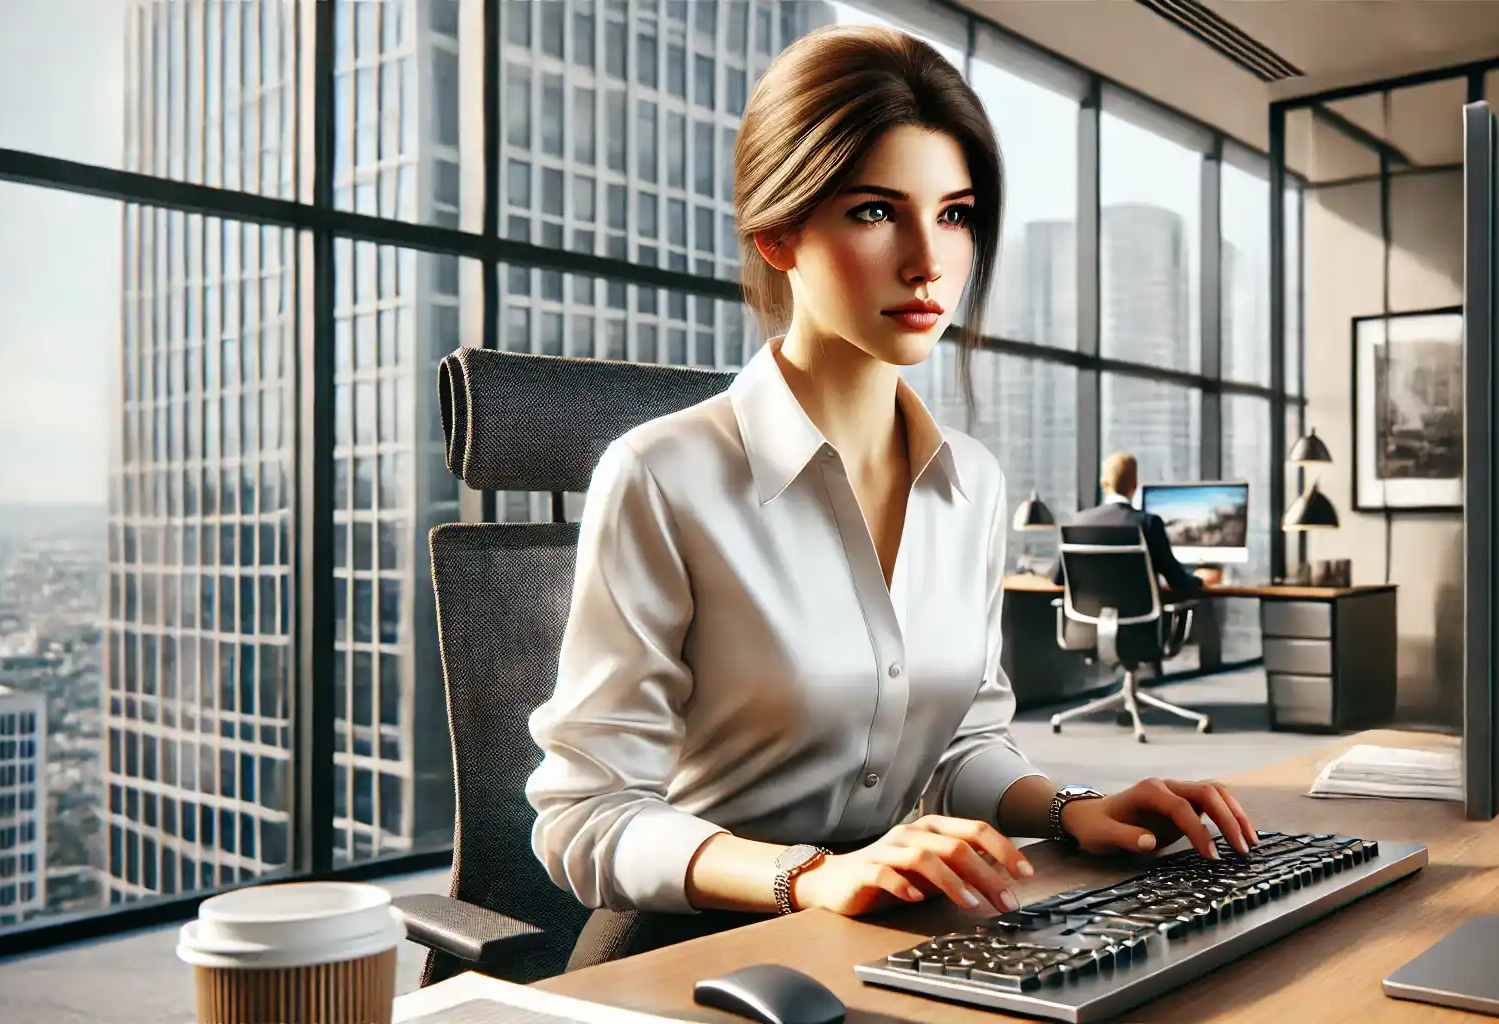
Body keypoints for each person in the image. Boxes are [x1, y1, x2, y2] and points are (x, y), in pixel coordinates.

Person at [524, 24, 1257, 971]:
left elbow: (960, 747)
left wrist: (1077, 808)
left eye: (954, 215)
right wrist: (809, 875)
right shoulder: (664, 474)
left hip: (874, 931)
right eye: (876, 212)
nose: (928, 262)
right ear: (776, 232)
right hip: (682, 952)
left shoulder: (974, 484)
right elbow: (585, 817)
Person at [1051, 452, 1218, 598]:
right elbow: (1178, 582)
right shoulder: (1149, 524)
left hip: (1085, 628)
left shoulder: (1077, 522)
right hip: (1139, 630)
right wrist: (1201, 579)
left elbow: (1057, 578)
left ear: (1103, 484)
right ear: (1135, 485)